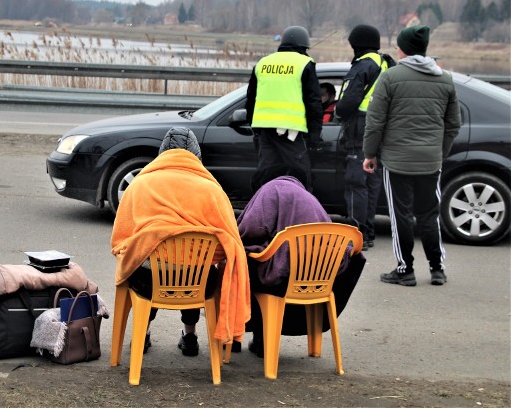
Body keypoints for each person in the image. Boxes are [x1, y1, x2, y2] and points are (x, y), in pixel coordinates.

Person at [111, 127, 250, 356]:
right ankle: (190, 335)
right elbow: (229, 244)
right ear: (196, 156)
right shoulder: (212, 189)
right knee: (194, 268)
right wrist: (196, 253)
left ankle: (142, 333)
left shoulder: (140, 184)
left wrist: (152, 244)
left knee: (148, 264)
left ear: (162, 153)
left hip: (149, 282)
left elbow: (120, 240)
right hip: (198, 283)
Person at [362, 25, 462, 286]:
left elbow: (375, 121)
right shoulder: (445, 79)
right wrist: (439, 153)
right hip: (431, 161)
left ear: (403, 49)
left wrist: (370, 153)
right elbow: (453, 124)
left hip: (396, 162)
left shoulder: (390, 78)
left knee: (401, 216)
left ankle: (405, 270)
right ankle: (437, 268)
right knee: (430, 214)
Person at [237, 166, 366, 357]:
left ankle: (239, 339)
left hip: (283, 279)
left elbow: (250, 229)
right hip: (320, 282)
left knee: (238, 264)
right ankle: (269, 341)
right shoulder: (310, 199)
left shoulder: (272, 189)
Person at [335, 24, 395, 251]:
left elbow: (347, 104)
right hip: (382, 130)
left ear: (356, 44)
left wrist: (338, 111)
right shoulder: (387, 64)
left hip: (360, 130)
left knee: (355, 183)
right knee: (371, 183)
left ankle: (356, 234)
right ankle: (367, 233)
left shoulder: (362, 66)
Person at [245, 25, 324, 192]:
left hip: (265, 131)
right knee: (301, 175)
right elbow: (314, 103)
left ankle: (263, 209)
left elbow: (250, 99)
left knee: (265, 175)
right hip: (291, 133)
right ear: (304, 46)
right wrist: (315, 136)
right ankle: (302, 211)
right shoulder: (305, 64)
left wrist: (255, 127)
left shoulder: (263, 63)